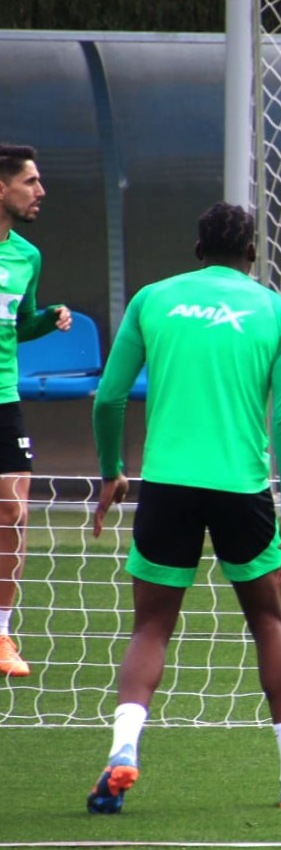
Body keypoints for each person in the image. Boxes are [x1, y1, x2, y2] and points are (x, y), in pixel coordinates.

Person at [86, 202, 281, 812]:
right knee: (268, 621)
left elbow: (109, 397)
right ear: (253, 255)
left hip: (166, 485)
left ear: (197, 250)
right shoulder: (278, 313)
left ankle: (124, 750)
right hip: (242, 488)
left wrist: (112, 470)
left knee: (151, 627)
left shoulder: (153, 299)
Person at [0, 144, 73, 678]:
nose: (40, 192)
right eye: (30, 181)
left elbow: (18, 324)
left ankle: (1, 634)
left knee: (13, 512)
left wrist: (48, 319)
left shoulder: (27, 256)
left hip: (5, 396)